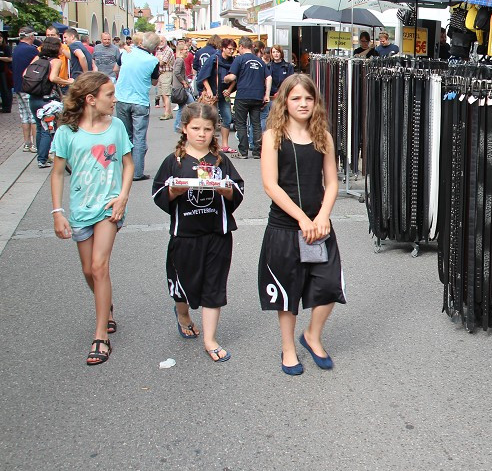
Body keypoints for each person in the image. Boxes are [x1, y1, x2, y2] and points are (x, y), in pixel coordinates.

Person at [259, 74, 345, 375]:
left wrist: (322, 216)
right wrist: (302, 218)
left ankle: (312, 336)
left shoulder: (323, 136)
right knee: (287, 292)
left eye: (308, 98)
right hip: (285, 226)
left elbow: (332, 183)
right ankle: (288, 348)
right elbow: (271, 185)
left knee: (330, 285)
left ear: (315, 101)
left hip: (319, 227)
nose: (303, 103)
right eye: (296, 98)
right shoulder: (273, 136)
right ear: (285, 101)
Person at [50, 71, 134, 366]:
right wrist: (57, 212)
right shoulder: (67, 132)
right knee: (89, 270)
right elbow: (58, 173)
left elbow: (128, 164)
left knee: (99, 266)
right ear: (90, 100)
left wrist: (123, 196)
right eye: (109, 95)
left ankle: (101, 335)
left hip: (109, 208)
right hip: (80, 209)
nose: (114, 100)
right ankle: (105, 303)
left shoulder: (117, 126)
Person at [151, 102, 245, 363]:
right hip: (186, 235)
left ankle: (210, 338)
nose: (201, 134)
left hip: (218, 233)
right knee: (183, 286)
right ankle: (182, 314)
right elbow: (159, 193)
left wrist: (225, 189)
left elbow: (237, 189)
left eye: (207, 129)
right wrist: (174, 191)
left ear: (214, 130)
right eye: (195, 128)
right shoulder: (174, 161)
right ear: (184, 129)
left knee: (214, 285)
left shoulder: (220, 161)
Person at [113, 32, 161, 181]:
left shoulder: (126, 53)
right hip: (140, 100)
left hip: (122, 98)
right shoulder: (153, 60)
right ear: (155, 47)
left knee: (125, 135)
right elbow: (154, 82)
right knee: (139, 137)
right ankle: (137, 172)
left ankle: (125, 168)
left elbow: (116, 69)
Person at [25, 36, 73, 169]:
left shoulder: (37, 59)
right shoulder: (55, 61)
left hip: (34, 98)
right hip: (48, 100)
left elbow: (25, 74)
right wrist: (67, 81)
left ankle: (41, 157)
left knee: (40, 127)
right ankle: (43, 159)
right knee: (47, 129)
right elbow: (53, 78)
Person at [222, 36, 270, 159]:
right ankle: (257, 152)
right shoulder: (260, 61)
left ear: (242, 47)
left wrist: (225, 78)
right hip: (257, 96)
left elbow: (232, 77)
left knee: (241, 123)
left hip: (243, 96)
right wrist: (266, 94)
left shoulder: (240, 59)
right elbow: (268, 77)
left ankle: (243, 152)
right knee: (256, 124)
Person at [195, 38, 237, 153]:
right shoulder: (214, 59)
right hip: (212, 95)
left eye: (233, 49)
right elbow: (203, 76)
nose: (231, 51)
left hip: (224, 94)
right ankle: (209, 144)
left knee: (227, 118)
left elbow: (235, 77)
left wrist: (229, 90)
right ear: (223, 48)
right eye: (229, 49)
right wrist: (208, 90)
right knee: (210, 119)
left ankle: (224, 145)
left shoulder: (233, 61)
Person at [12, 27, 38, 152]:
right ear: (30, 36)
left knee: (24, 115)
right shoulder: (31, 50)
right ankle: (35, 144)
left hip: (18, 86)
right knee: (33, 115)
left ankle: (26, 143)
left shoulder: (16, 49)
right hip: (29, 87)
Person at [264, 45, 294, 131]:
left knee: (283, 118)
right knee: (270, 119)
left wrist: (281, 92)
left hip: (283, 96)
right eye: (273, 52)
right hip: (270, 96)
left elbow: (290, 82)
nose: (276, 54)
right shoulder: (268, 66)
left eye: (277, 52)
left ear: (281, 53)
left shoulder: (288, 66)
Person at [172, 40, 194, 133]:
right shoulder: (180, 60)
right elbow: (176, 72)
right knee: (192, 105)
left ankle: (178, 125)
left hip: (179, 87)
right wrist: (184, 82)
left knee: (183, 106)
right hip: (180, 88)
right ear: (180, 50)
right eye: (185, 49)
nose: (187, 51)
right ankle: (179, 125)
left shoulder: (179, 60)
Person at [155, 37, 176, 120]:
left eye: (162, 41)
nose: (160, 43)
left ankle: (167, 113)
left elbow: (161, 62)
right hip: (161, 73)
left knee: (165, 94)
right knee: (162, 94)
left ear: (166, 41)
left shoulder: (168, 50)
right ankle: (167, 112)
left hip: (166, 73)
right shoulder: (159, 50)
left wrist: (157, 60)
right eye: (159, 41)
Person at [0, 34, 12, 113]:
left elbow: (10, 59)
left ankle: (7, 107)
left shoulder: (6, 47)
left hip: (3, 71)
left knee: (5, 89)